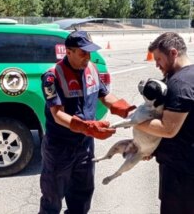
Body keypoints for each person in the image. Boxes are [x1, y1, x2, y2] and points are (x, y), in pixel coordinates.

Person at [39, 30, 136, 214]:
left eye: (90, 52)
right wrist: (87, 127)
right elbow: (57, 114)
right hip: (60, 148)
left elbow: (104, 94)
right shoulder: (52, 77)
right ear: (68, 52)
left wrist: (121, 107)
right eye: (83, 52)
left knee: (82, 198)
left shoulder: (91, 68)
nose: (88, 57)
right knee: (52, 201)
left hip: (85, 146)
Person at [135, 32, 194, 214]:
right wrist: (153, 149)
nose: (156, 64)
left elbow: (168, 129)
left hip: (181, 175)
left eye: (159, 58)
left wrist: (135, 122)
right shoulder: (188, 75)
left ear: (173, 53)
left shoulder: (180, 83)